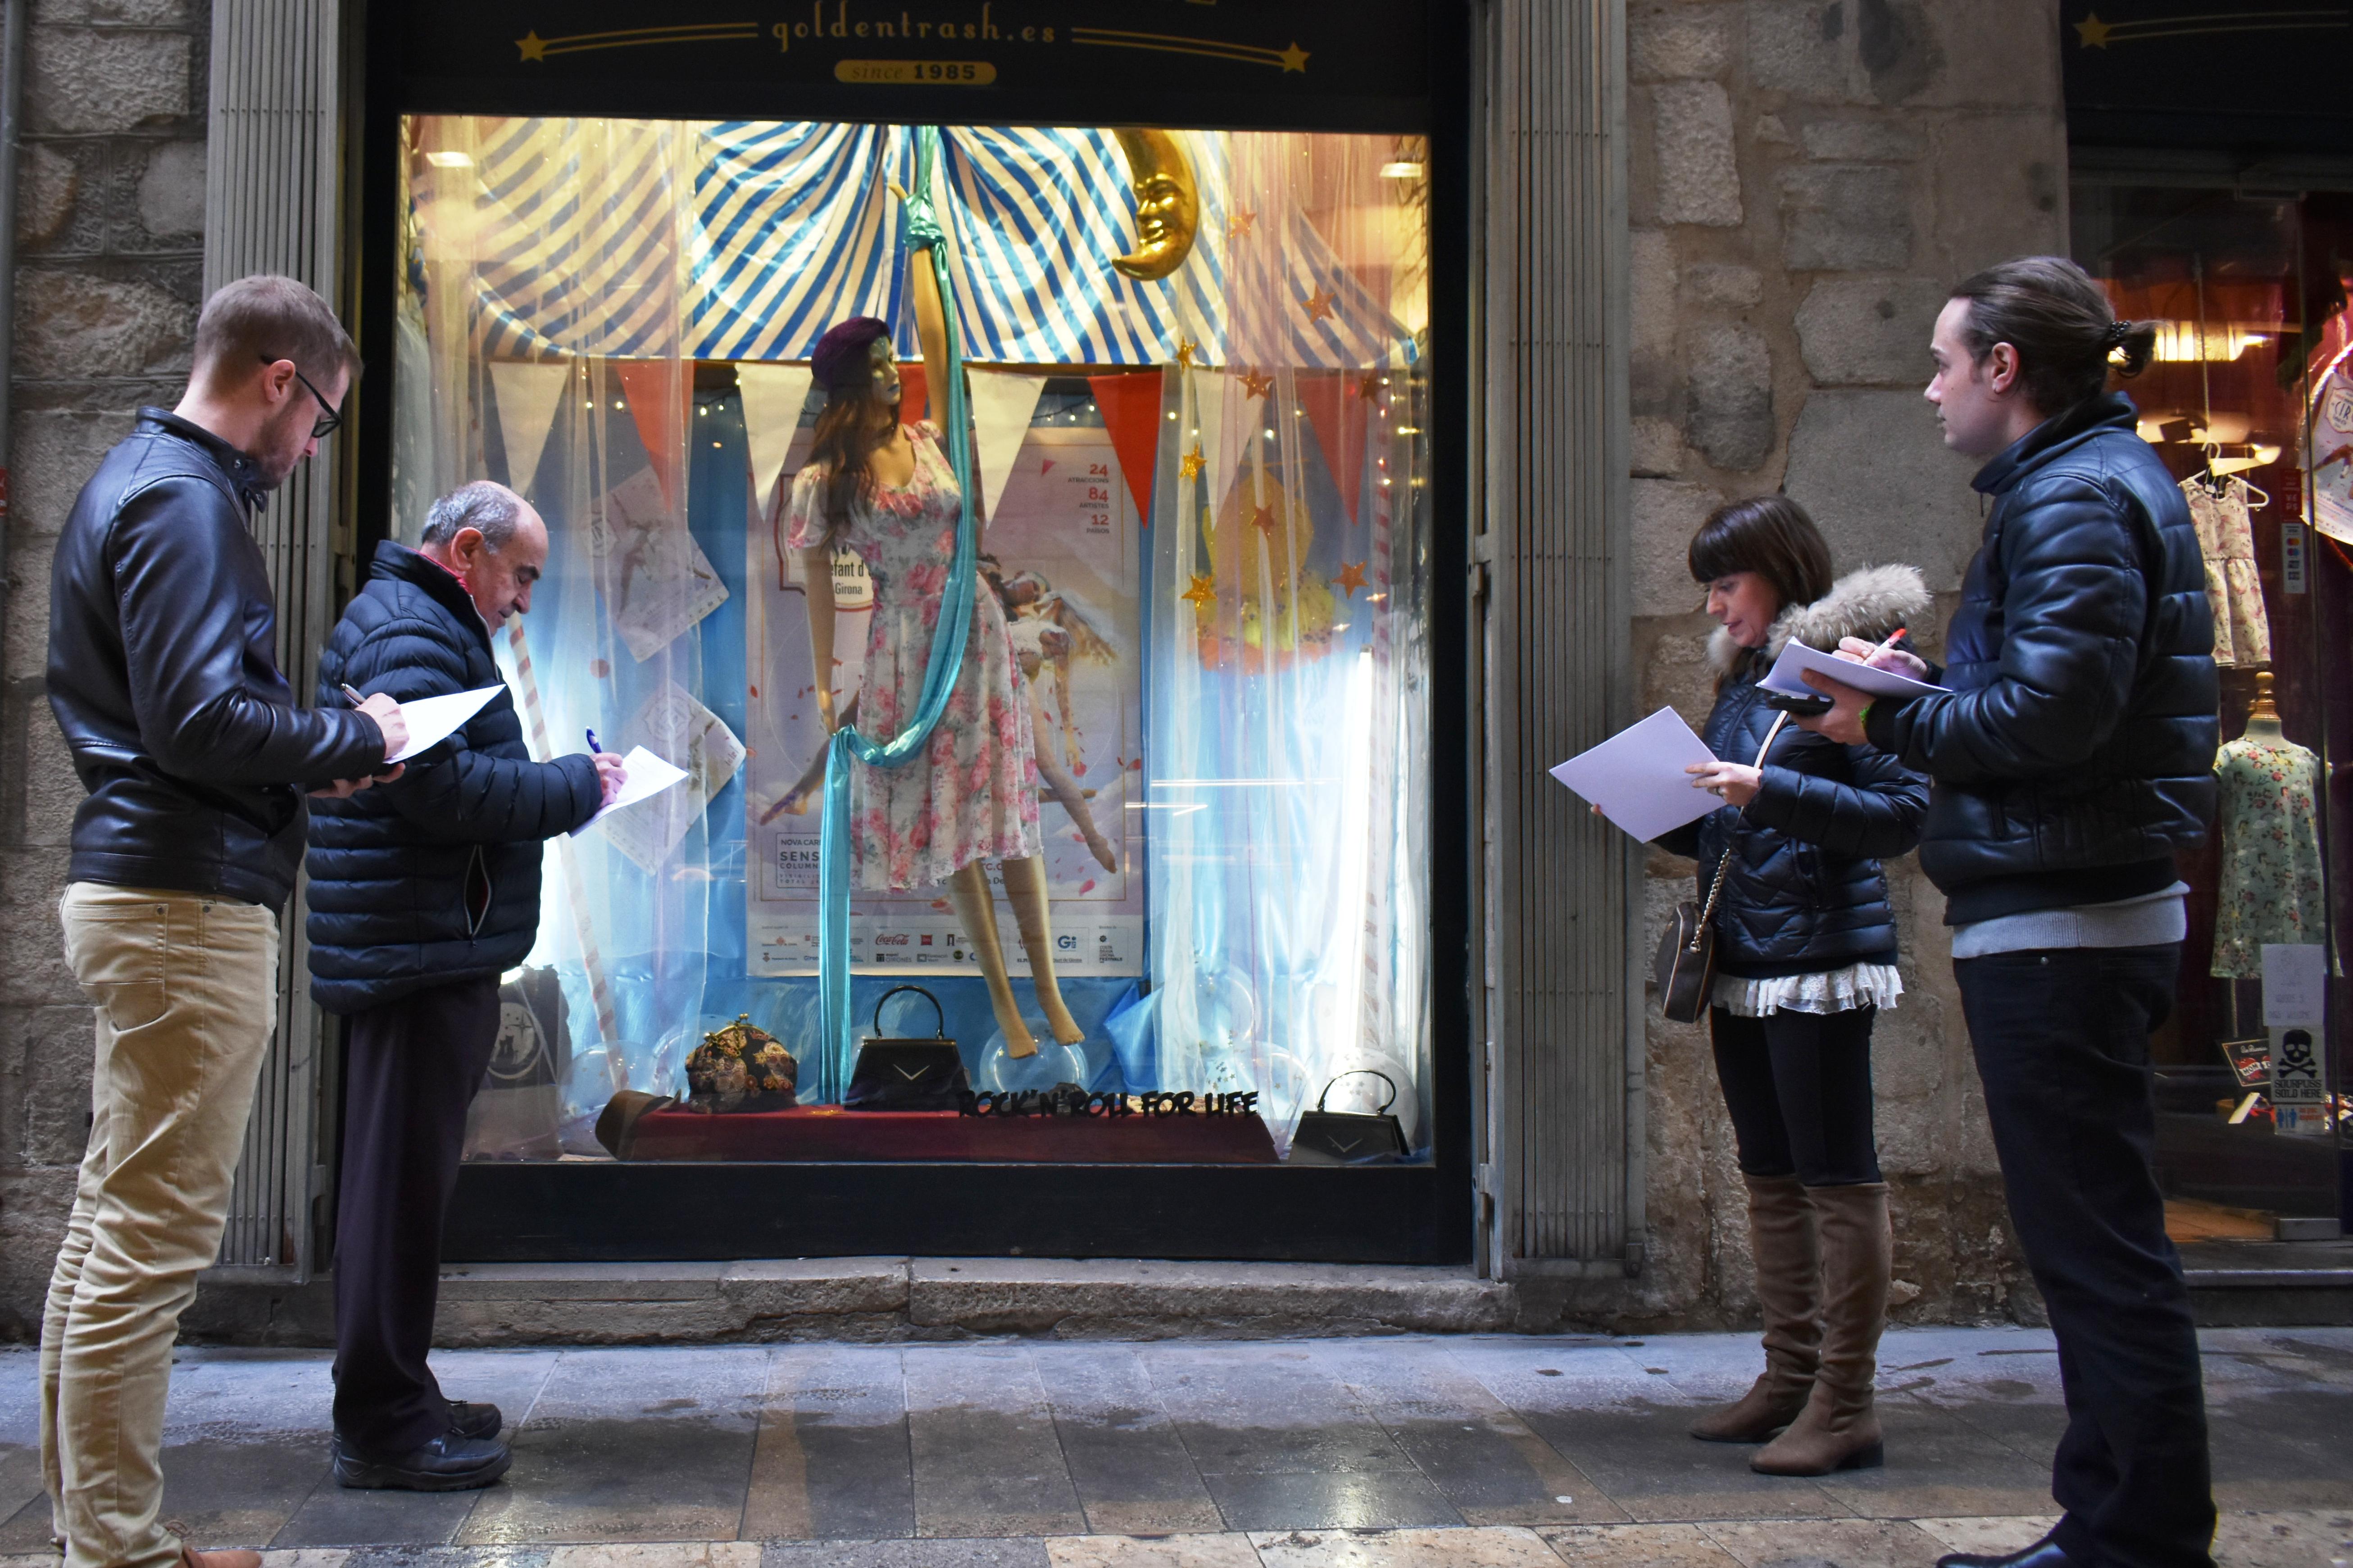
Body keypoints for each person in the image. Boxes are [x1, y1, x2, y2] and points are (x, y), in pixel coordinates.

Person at [1798, 256, 2219, 1568]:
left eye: (1942, 360)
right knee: (2090, 1239)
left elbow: (2055, 719)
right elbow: (2050, 693)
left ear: (2003, 369)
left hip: (2067, 918)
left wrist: (1889, 713)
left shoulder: (2080, 495)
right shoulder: (2076, 488)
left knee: (2095, 1247)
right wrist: (1922, 678)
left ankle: (2135, 1539)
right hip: (2064, 908)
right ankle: (2112, 1519)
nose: (1926, 386)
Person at [42, 275, 407, 1568]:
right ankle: (120, 1550)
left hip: (149, 885)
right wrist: (350, 736)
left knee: (111, 1226)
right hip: (183, 901)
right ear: (276, 379)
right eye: (320, 420)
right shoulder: (189, 503)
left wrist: (317, 750)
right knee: (147, 1244)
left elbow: (180, 715)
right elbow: (200, 719)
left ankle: (104, 1529)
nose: (313, 451)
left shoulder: (138, 481)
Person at [305, 480, 626, 1491]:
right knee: (395, 1193)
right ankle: (385, 1421)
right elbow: (440, 794)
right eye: (520, 575)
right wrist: (582, 788)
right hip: (412, 952)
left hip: (416, 943)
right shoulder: (412, 626)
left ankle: (400, 1392)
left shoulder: (419, 620)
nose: (523, 599)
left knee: (401, 1188)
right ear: (469, 549)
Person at [1649, 497, 1929, 1477]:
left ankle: (1843, 1403)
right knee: (1767, 1174)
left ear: (1776, 570)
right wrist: (1654, 806)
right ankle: (1787, 1376)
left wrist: (1764, 791)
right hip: (1743, 958)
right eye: (1708, 588)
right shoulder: (1743, 682)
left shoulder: (1857, 667)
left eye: (1725, 583)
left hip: (1819, 959)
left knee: (1835, 1178)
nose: (1714, 605)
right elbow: (1737, 820)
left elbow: (1899, 813)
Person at [786, 212, 1080, 1058]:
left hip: (976, 639)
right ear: (848, 390)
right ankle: (1009, 1009)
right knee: (955, 829)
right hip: (907, 654)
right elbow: (815, 582)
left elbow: (940, 347)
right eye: (877, 370)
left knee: (1009, 815)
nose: (893, 376)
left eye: (891, 362)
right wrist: (825, 686)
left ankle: (1051, 993)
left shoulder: (930, 437)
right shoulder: (826, 480)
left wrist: (924, 249)